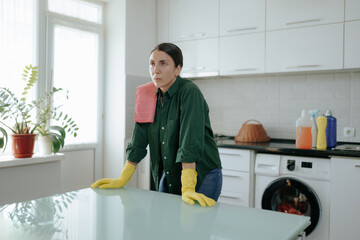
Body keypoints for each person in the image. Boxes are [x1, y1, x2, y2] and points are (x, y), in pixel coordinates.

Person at [91, 43, 222, 207]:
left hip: (202, 175)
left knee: (193, 230)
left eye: (163, 63)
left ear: (177, 69)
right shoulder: (147, 94)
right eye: (152, 63)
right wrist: (123, 178)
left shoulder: (189, 92)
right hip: (170, 174)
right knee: (164, 228)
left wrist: (188, 187)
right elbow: (138, 140)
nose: (156, 69)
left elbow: (190, 142)